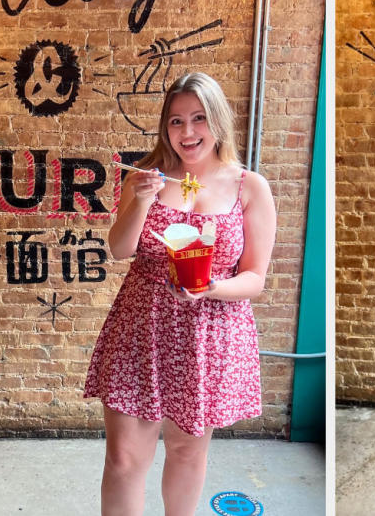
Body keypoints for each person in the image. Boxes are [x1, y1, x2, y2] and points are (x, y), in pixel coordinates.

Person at [84, 72, 277, 516]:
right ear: (164, 127)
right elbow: (119, 250)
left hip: (207, 335)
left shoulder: (249, 187)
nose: (187, 133)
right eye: (175, 121)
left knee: (187, 452)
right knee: (123, 460)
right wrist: (143, 201)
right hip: (142, 327)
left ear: (219, 122)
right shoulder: (145, 177)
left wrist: (211, 287)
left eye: (198, 118)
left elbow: (255, 278)